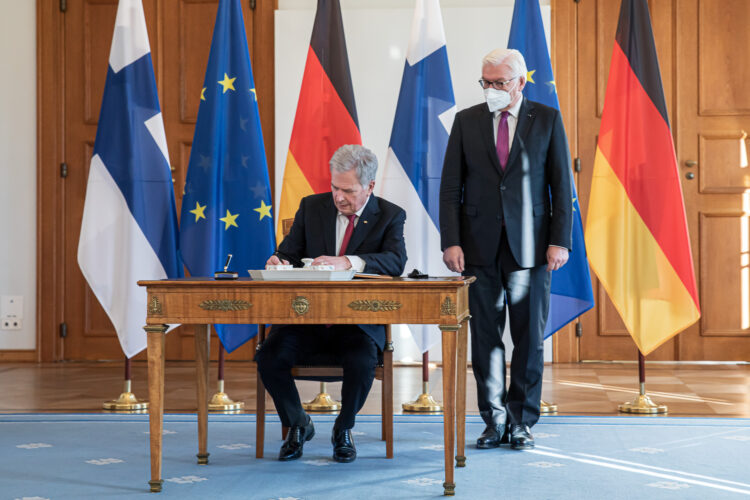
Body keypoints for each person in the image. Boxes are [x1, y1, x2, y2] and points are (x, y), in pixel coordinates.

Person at [439, 48, 573, 450]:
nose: (492, 89)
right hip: (478, 247)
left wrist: (559, 240)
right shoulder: (466, 121)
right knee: (485, 337)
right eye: (486, 82)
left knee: (529, 338)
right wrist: (451, 240)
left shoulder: (546, 119)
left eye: (499, 82)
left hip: (531, 247)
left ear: (520, 82)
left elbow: (561, 185)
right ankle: (494, 419)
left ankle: (522, 421)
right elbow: (450, 188)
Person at [256, 144, 407, 463]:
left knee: (363, 361)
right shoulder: (311, 207)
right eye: (334, 187)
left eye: (348, 190)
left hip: (356, 324)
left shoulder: (390, 215)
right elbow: (288, 252)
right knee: (268, 356)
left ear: (369, 187)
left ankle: (344, 427)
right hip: (305, 320)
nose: (339, 197)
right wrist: (278, 260)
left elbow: (395, 261)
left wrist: (349, 262)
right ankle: (298, 422)